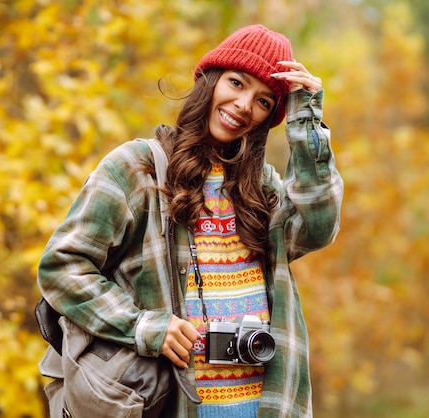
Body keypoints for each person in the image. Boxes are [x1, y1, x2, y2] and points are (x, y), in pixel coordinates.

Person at [37, 24, 343, 418]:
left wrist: (307, 121)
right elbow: (63, 267)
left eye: (265, 101)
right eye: (236, 82)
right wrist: (143, 326)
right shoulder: (136, 170)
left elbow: (317, 226)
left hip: (262, 406)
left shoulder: (261, 189)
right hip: (167, 404)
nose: (245, 105)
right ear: (209, 80)